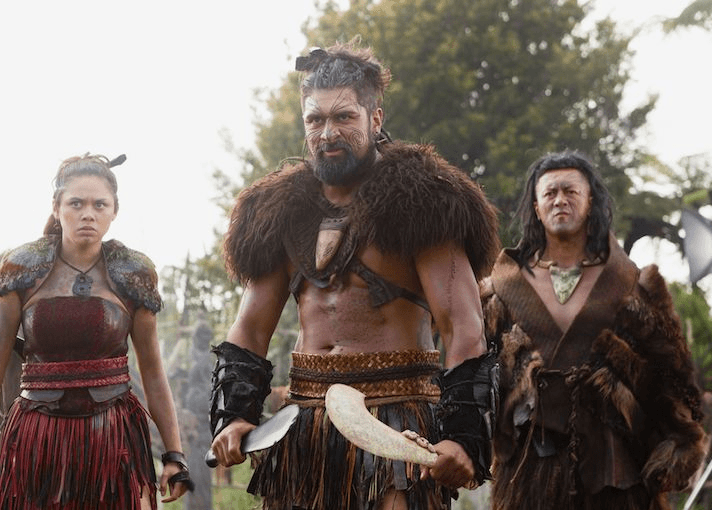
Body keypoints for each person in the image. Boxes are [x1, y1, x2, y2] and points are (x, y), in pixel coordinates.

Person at [209, 41, 501, 510]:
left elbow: (463, 328)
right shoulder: (280, 211)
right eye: (315, 119)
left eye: (344, 117)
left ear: (375, 118)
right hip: (304, 423)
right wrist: (233, 415)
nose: (328, 131)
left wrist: (464, 438)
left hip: (396, 422)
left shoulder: (425, 202)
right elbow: (249, 329)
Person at [0, 154, 192, 510]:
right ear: (57, 208)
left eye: (99, 204)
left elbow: (152, 371)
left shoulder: (134, 273)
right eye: (76, 203)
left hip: (112, 438)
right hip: (37, 440)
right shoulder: (22, 269)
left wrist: (174, 454)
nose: (88, 213)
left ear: (114, 211)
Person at [481, 151, 707, 509]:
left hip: (616, 471)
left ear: (590, 202)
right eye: (550, 192)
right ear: (537, 208)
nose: (560, 199)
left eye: (570, 191)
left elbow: (673, 374)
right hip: (529, 470)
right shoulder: (500, 291)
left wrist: (680, 443)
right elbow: (478, 376)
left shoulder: (633, 285)